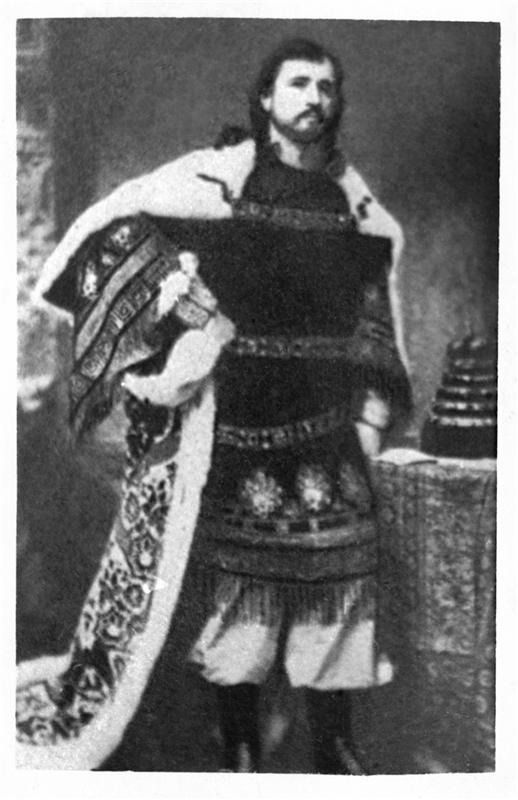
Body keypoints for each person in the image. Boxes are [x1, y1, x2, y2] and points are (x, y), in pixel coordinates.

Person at [16, 38, 411, 772]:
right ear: (265, 98)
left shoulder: (347, 205)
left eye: (326, 86)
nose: (315, 98)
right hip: (244, 429)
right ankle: (240, 751)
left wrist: (371, 419)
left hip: (328, 433)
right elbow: (125, 246)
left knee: (342, 585)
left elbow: (370, 316)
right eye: (299, 83)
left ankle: (335, 747)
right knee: (244, 602)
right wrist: (188, 321)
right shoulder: (216, 186)